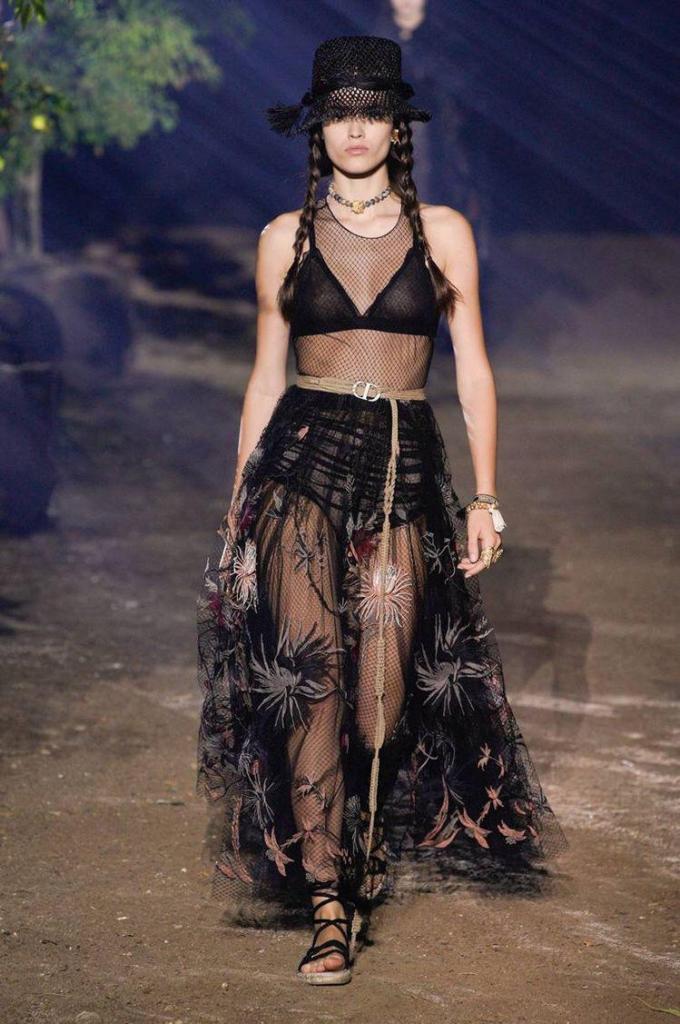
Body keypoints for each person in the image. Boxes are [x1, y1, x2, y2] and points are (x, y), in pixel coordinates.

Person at [195, 34, 568, 986]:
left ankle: (362, 830)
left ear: (397, 126)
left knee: (381, 690)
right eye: (340, 113)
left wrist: (486, 497)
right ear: (317, 127)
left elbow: (473, 370)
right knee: (310, 672)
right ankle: (330, 898)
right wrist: (238, 514)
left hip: (402, 464)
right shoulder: (283, 237)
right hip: (299, 470)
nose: (356, 129)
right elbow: (263, 381)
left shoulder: (442, 232)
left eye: (373, 112)